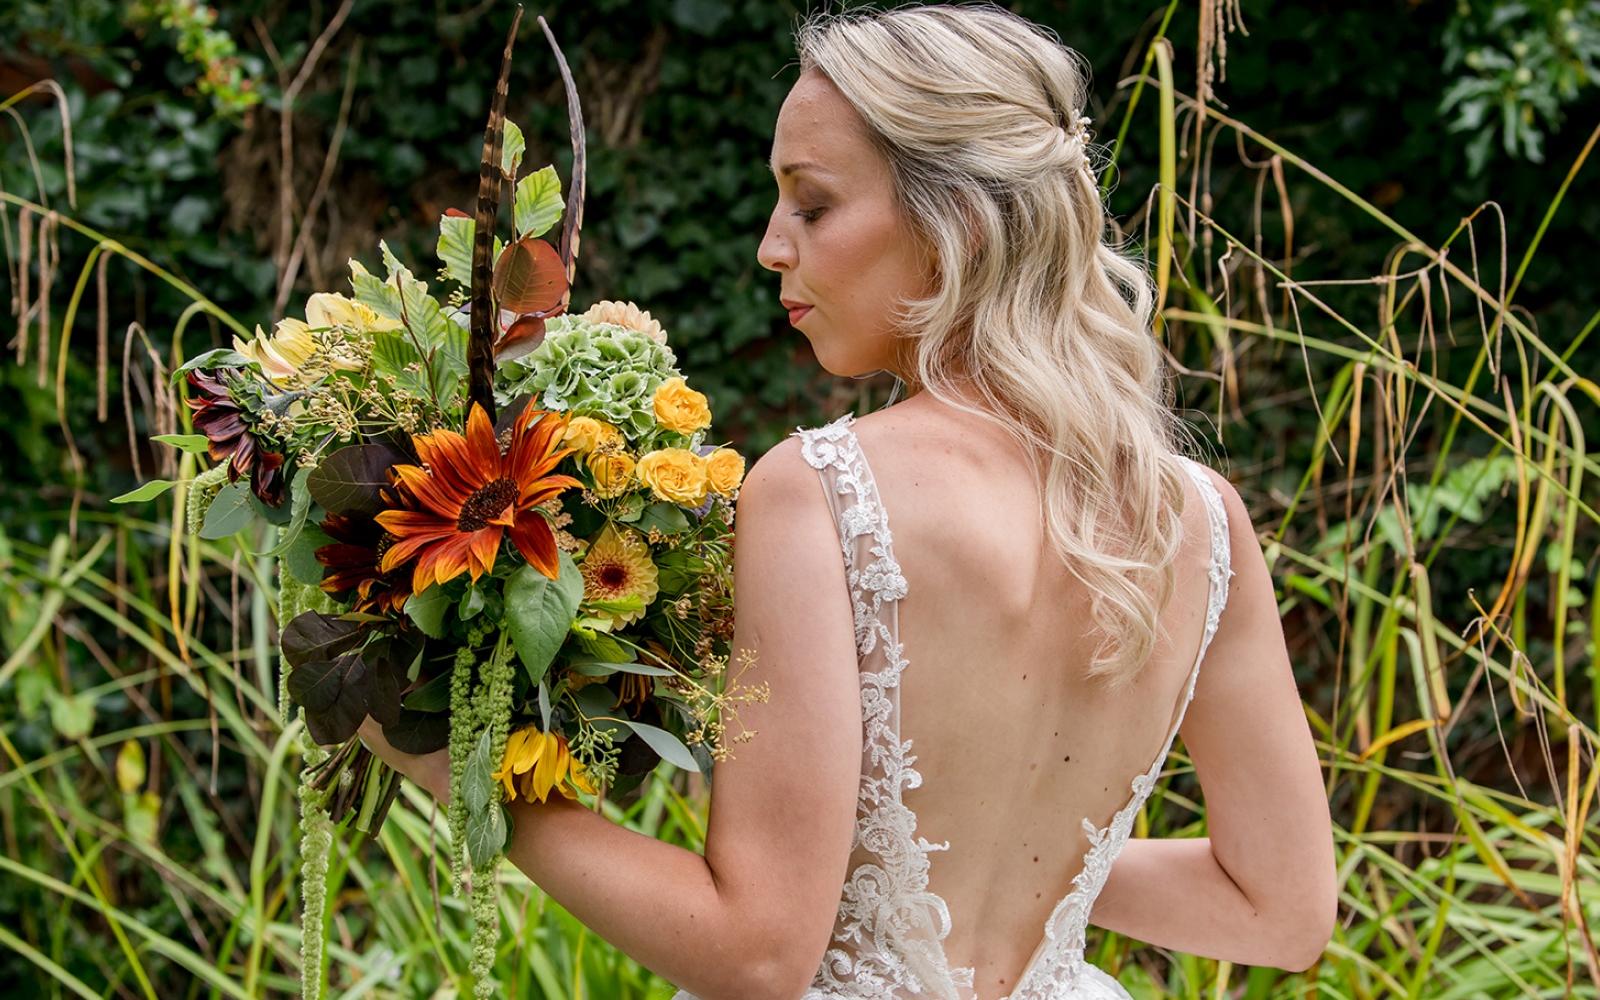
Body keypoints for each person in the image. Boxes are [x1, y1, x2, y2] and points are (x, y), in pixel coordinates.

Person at [357, 4, 1337, 997]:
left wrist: (458, 764)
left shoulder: (825, 492)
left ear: (951, 217)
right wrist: (1032, 864)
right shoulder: (1198, 523)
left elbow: (757, 953)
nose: (769, 248)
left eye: (812, 205)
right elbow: (1281, 909)